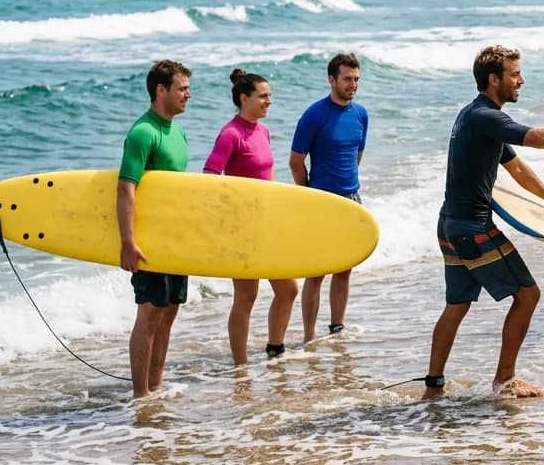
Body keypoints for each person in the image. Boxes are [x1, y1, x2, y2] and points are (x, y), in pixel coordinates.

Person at [424, 46, 544, 399]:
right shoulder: (486, 118)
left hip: (451, 225)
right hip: (472, 228)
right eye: (514, 74)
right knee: (528, 294)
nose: (521, 80)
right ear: (493, 79)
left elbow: (516, 168)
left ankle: (433, 386)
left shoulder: (475, 116)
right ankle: (505, 380)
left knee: (457, 304)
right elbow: (537, 138)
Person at [205, 69, 297, 365]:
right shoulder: (230, 134)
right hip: (242, 229)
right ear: (245, 98)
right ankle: (241, 364)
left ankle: (275, 348)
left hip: (266, 223)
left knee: (288, 289)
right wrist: (229, 214)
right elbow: (209, 176)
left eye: (270, 95)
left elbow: (267, 174)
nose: (269, 101)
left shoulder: (262, 131)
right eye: (263, 96)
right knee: (246, 297)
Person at [117, 60, 192, 398]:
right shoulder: (142, 132)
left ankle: (156, 386)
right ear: (161, 90)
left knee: (170, 311)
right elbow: (126, 188)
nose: (188, 94)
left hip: (175, 240)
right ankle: (140, 395)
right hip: (149, 242)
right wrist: (128, 242)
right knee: (150, 313)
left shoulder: (178, 131)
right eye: (181, 88)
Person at [289, 53, 368, 341]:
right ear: (331, 79)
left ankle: (337, 328)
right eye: (347, 79)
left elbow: (356, 154)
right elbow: (296, 161)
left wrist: (348, 186)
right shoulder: (314, 114)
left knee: (345, 268)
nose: (353, 84)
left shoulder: (360, 114)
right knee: (317, 271)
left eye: (356, 79)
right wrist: (311, 192)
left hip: (351, 199)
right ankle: (309, 336)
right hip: (321, 201)